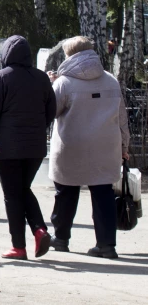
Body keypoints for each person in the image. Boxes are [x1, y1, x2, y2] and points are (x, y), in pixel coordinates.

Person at [0, 35, 56, 260]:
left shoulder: (0, 79)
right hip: (35, 148)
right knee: (22, 189)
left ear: (6, 54)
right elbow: (51, 111)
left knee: (13, 194)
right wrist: (37, 128)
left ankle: (19, 246)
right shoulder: (41, 79)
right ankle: (39, 230)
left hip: (8, 148)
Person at [47, 36, 130, 259]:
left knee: (65, 191)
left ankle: (61, 238)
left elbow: (51, 111)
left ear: (69, 56)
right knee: (103, 193)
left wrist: (50, 85)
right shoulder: (110, 80)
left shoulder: (64, 83)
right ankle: (106, 245)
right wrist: (125, 144)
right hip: (105, 145)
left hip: (71, 146)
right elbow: (121, 117)